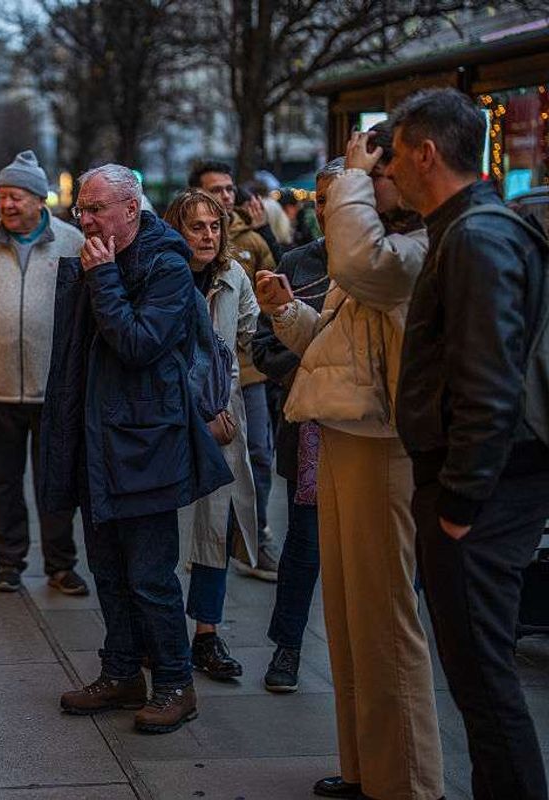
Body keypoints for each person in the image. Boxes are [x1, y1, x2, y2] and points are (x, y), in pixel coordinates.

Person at [256, 123, 444, 800]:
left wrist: (352, 184)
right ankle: (370, 767)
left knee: (385, 621)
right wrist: (283, 312)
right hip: (340, 432)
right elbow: (334, 343)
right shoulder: (374, 252)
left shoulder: (410, 247)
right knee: (346, 618)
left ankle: (409, 782)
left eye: (363, 185)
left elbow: (363, 271)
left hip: (383, 446)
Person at [388, 87, 549, 800]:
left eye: (394, 155)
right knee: (480, 683)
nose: (387, 170)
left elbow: (489, 386)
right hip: (484, 491)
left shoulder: (478, 236)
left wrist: (457, 505)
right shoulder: (470, 228)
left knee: (484, 686)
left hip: (483, 498)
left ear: (426, 154)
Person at [42, 164, 233, 734]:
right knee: (108, 568)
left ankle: (175, 682)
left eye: (96, 208)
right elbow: (76, 354)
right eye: (81, 209)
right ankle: (122, 671)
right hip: (97, 439)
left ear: (132, 208)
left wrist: (100, 279)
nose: (85, 219)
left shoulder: (165, 264)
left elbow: (138, 345)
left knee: (150, 575)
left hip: (146, 443)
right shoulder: (97, 255)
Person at [0, 150, 88, 596]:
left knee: (56, 482)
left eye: (17, 197)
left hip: (54, 389)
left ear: (39, 200)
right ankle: (8, 562)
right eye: (4, 196)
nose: (7, 205)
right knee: (1, 481)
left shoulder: (71, 241)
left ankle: (61, 564)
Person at [163, 189, 259, 682]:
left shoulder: (233, 276)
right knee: (167, 533)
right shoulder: (163, 273)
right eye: (196, 226)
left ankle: (206, 633)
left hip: (221, 421)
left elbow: (245, 343)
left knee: (213, 531)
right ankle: (162, 637)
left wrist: (224, 410)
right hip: (169, 424)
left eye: (214, 226)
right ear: (175, 230)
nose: (207, 235)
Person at [251, 159, 338, 692]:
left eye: (340, 198)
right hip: (308, 430)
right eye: (321, 200)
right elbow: (265, 349)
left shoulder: (383, 266)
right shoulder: (299, 262)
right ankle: (288, 648)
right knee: (303, 547)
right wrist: (315, 361)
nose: (329, 211)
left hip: (371, 433)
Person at [189, 161, 279, 578]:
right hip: (195, 391)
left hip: (246, 376)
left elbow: (266, 310)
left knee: (256, 456)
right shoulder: (173, 270)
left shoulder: (245, 246)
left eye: (229, 190)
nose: (226, 198)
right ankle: (204, 545)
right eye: (215, 191)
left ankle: (251, 536)